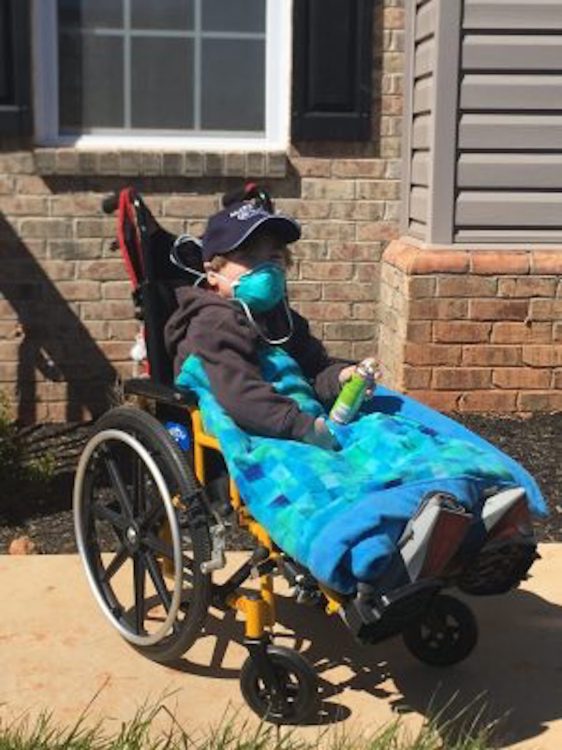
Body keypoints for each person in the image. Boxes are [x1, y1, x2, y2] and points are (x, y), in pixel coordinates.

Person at [164, 200, 370, 450]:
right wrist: (303, 428)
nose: (267, 269)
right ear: (212, 272)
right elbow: (240, 396)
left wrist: (339, 378)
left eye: (275, 257)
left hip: (294, 424)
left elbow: (313, 372)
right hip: (251, 432)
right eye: (250, 257)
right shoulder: (213, 322)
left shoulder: (283, 319)